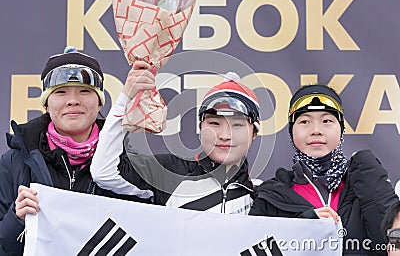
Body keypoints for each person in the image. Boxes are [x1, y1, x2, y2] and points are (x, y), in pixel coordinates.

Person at [0, 48, 149, 255]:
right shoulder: (14, 162)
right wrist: (17, 220)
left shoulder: (126, 163)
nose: (73, 100)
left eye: (85, 91)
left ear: (99, 103)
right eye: (61, 92)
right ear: (46, 104)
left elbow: (149, 238)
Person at [91, 61, 261, 214]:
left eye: (237, 125)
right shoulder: (168, 174)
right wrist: (126, 98)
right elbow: (105, 172)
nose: (224, 136)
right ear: (200, 128)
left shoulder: (263, 195)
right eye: (215, 124)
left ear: (254, 133)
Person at [249, 84, 398, 255]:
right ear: (292, 132)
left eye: (327, 121)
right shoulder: (271, 196)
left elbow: (392, 245)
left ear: (341, 129)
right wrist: (305, 225)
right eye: (305, 121)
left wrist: (369, 172)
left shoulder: (365, 183)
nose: (316, 131)